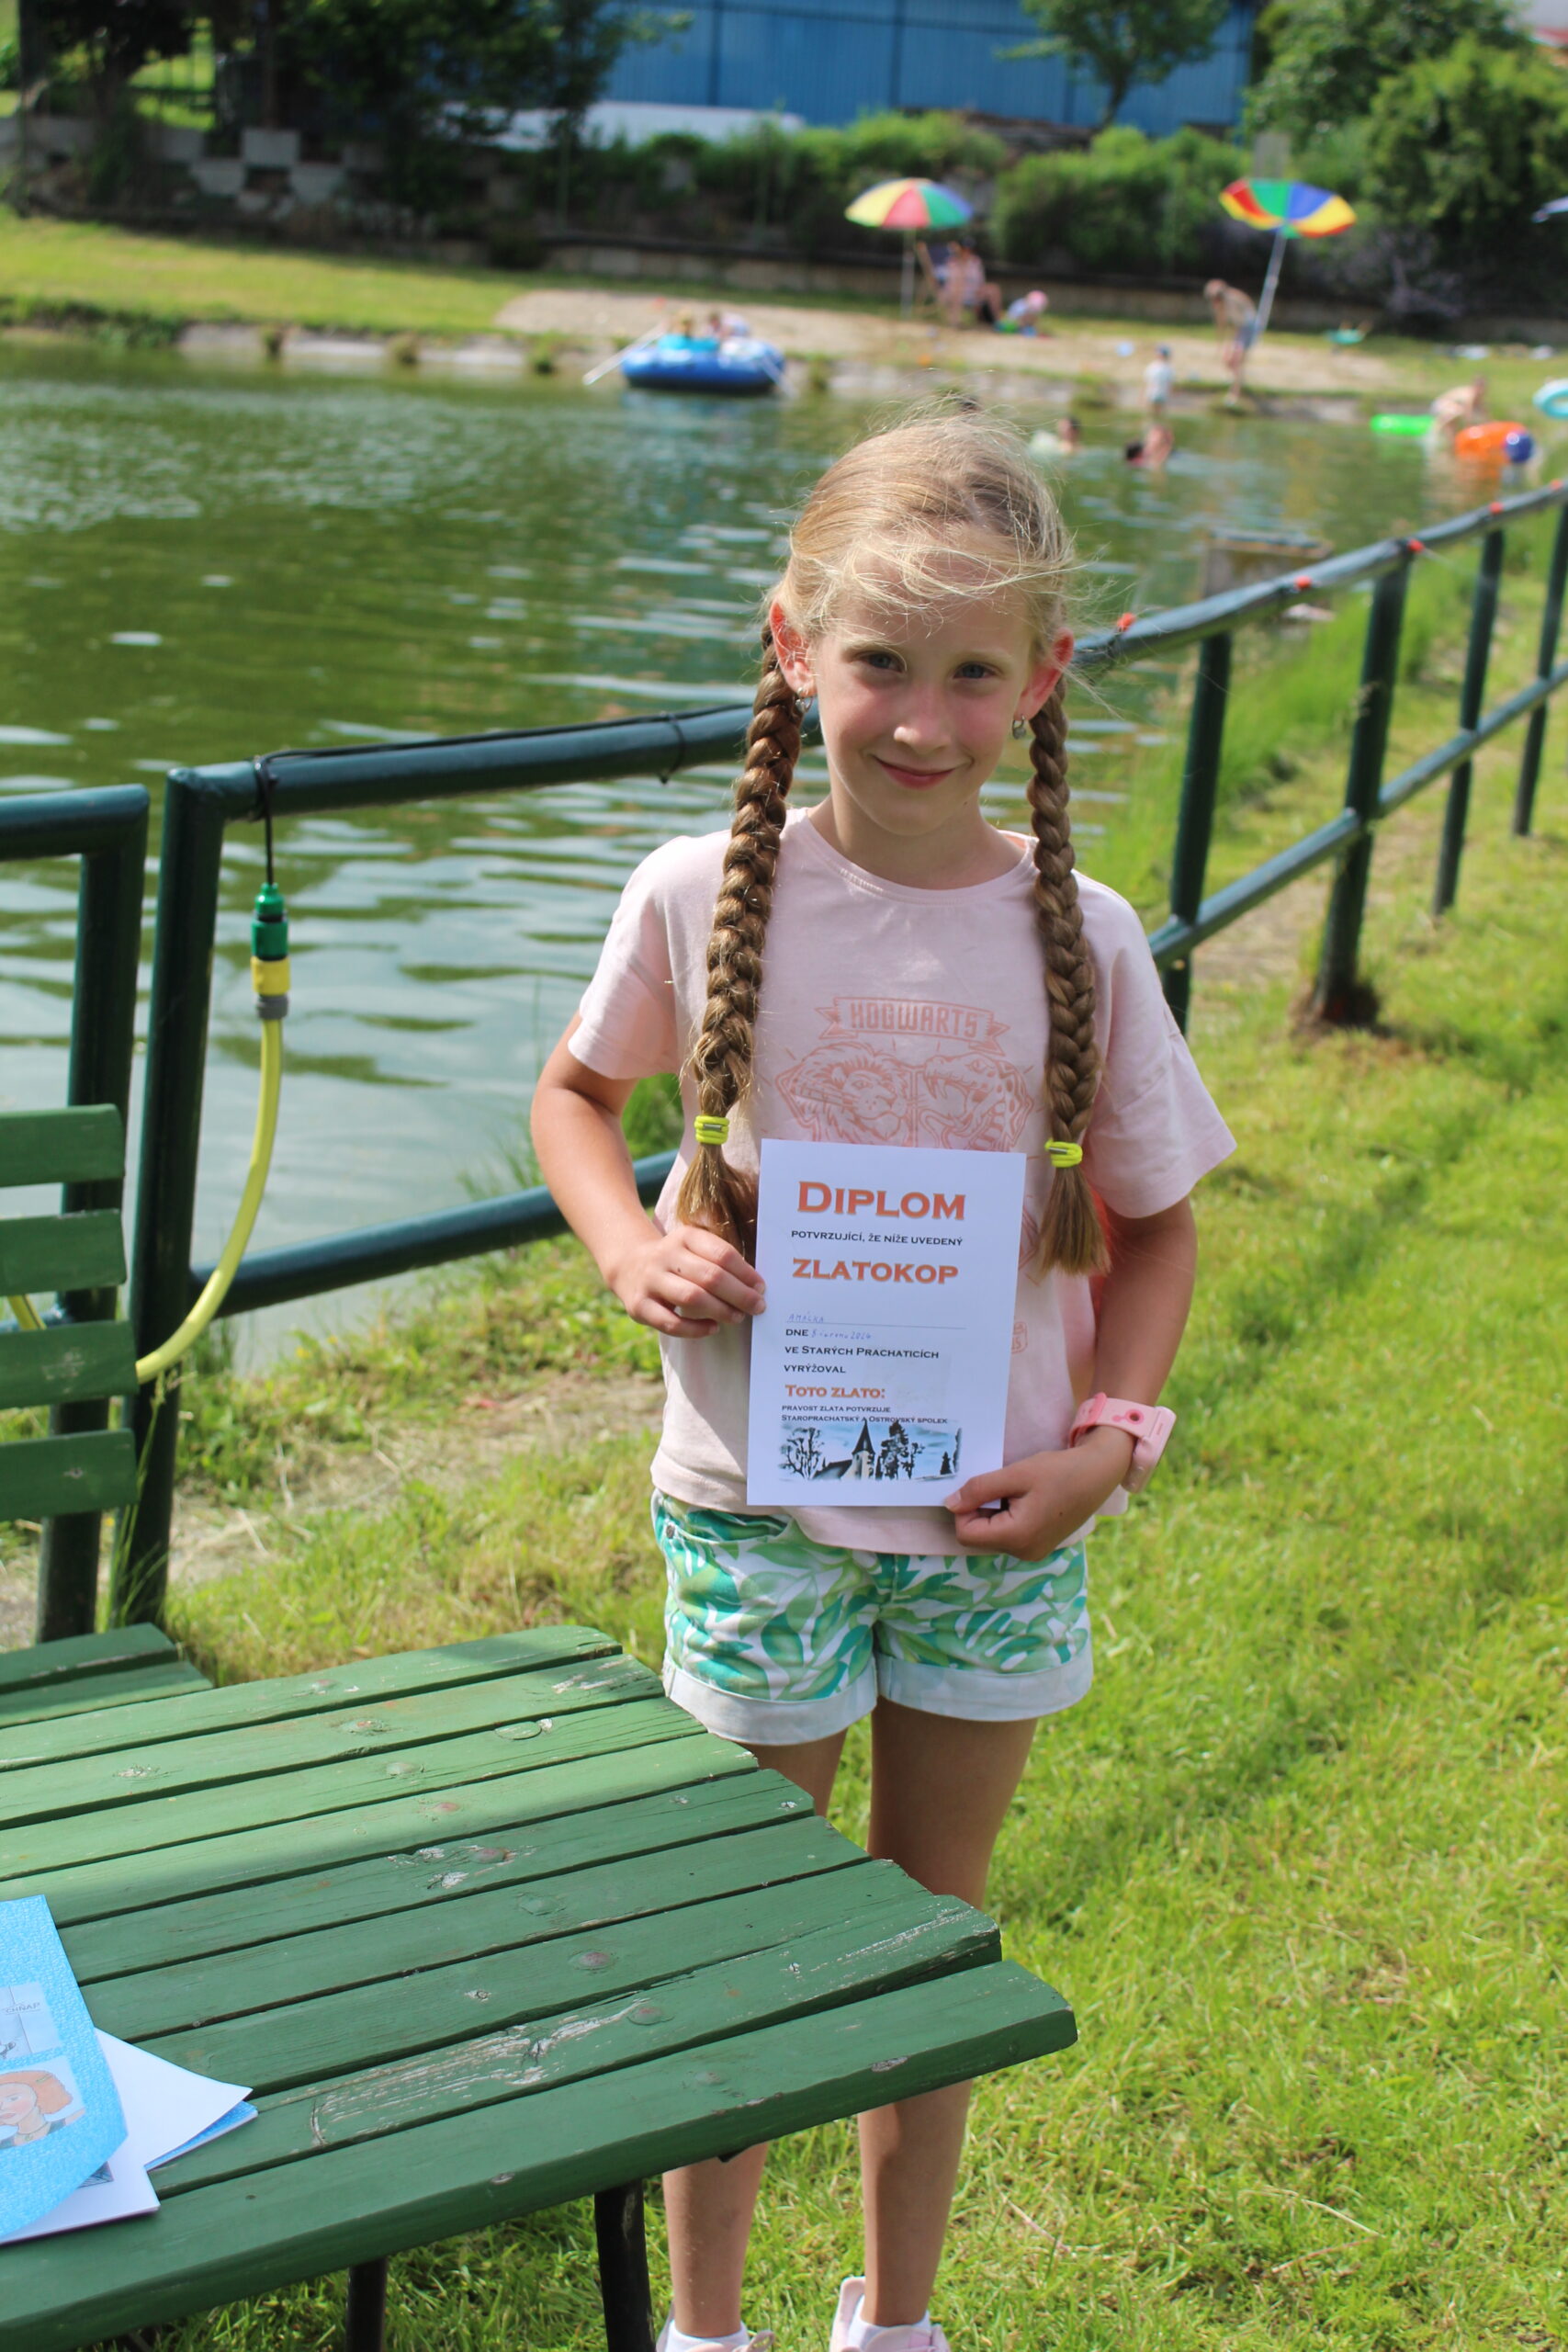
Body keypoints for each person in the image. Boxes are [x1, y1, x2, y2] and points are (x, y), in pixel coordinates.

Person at [531, 411, 1234, 2352]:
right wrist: (629, 1243)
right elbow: (574, 1097)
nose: (923, 719)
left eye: (972, 673)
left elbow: (1157, 1232)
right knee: (742, 1936)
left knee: (926, 1932)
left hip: (995, 1521)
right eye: (878, 663)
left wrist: (1108, 1444)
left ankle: (893, 2321)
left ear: (1045, 677)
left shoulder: (1085, 938)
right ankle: (705, 2329)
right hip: (756, 1510)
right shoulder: (697, 889)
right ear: (790, 647)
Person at [1203, 279, 1258, 398]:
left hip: (1247, 328)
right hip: (1242, 328)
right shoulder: (1222, 302)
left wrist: (1230, 345)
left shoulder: (1232, 301)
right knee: (1231, 359)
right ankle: (1236, 382)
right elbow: (1221, 322)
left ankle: (1235, 392)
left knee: (1235, 359)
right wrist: (1220, 343)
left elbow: (1239, 323)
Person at [1430, 375, 1486, 440]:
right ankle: (1437, 429)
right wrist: (1469, 426)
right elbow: (1468, 412)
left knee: (1459, 415)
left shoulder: (1477, 396)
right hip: (1441, 404)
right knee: (1459, 412)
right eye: (1481, 388)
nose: (1482, 391)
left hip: (1448, 406)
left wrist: (1489, 423)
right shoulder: (1470, 394)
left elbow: (1483, 411)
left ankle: (1451, 438)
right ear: (1476, 387)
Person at [1144, 344, 1174, 410]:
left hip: (1163, 391)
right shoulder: (1152, 366)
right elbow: (1147, 380)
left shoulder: (1168, 368)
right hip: (1152, 391)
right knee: (1152, 407)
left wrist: (1170, 392)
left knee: (1160, 408)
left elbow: (1170, 381)